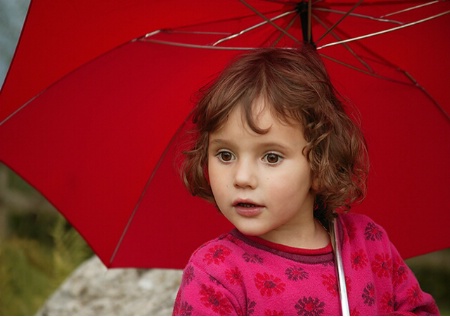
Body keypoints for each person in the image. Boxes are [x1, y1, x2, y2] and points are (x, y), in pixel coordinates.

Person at [172, 47, 438, 316]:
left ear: (320, 163)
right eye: (225, 154)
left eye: (272, 157)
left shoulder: (368, 244)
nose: (242, 178)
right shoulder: (215, 274)